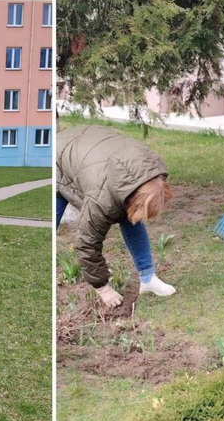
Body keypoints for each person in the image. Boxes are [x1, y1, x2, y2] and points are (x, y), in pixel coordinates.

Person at [57, 125, 176, 308]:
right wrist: (103, 289)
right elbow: (87, 243)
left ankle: (148, 279)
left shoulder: (150, 171)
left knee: (132, 220)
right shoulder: (101, 200)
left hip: (92, 146)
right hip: (60, 159)